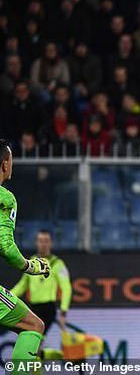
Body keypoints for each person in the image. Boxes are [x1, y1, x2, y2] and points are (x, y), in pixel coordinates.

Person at [0, 140, 51, 370]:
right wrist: (31, 267)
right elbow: (7, 248)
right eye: (11, 160)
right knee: (33, 325)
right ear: (4, 164)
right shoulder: (5, 199)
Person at [12, 230, 72, 334]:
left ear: (51, 243)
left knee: (36, 337)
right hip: (33, 307)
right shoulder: (31, 262)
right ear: (36, 243)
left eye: (46, 241)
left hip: (48, 308)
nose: (43, 244)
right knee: (30, 338)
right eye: (41, 241)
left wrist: (63, 311)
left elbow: (66, 288)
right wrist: (7, 296)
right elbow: (22, 285)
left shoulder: (57, 263)